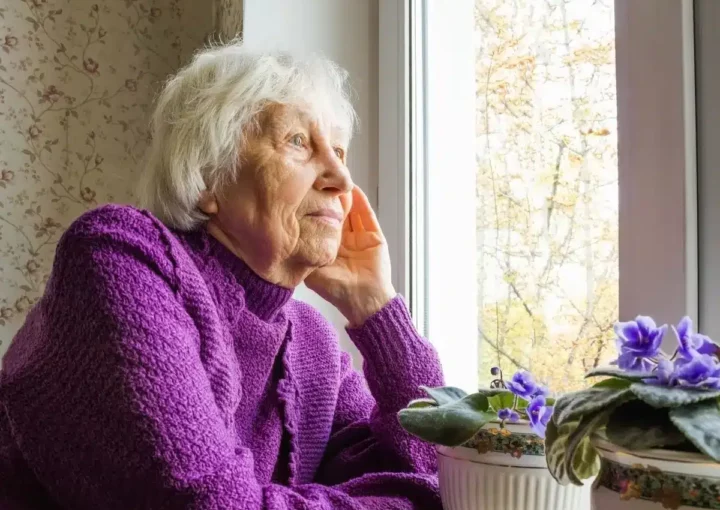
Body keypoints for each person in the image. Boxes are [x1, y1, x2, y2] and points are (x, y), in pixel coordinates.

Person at [0, 42, 445, 509]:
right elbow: (208, 502)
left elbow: (432, 466)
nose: (342, 178)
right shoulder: (122, 256)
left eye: (338, 150)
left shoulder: (311, 341)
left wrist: (376, 309)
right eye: (298, 141)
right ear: (209, 175)